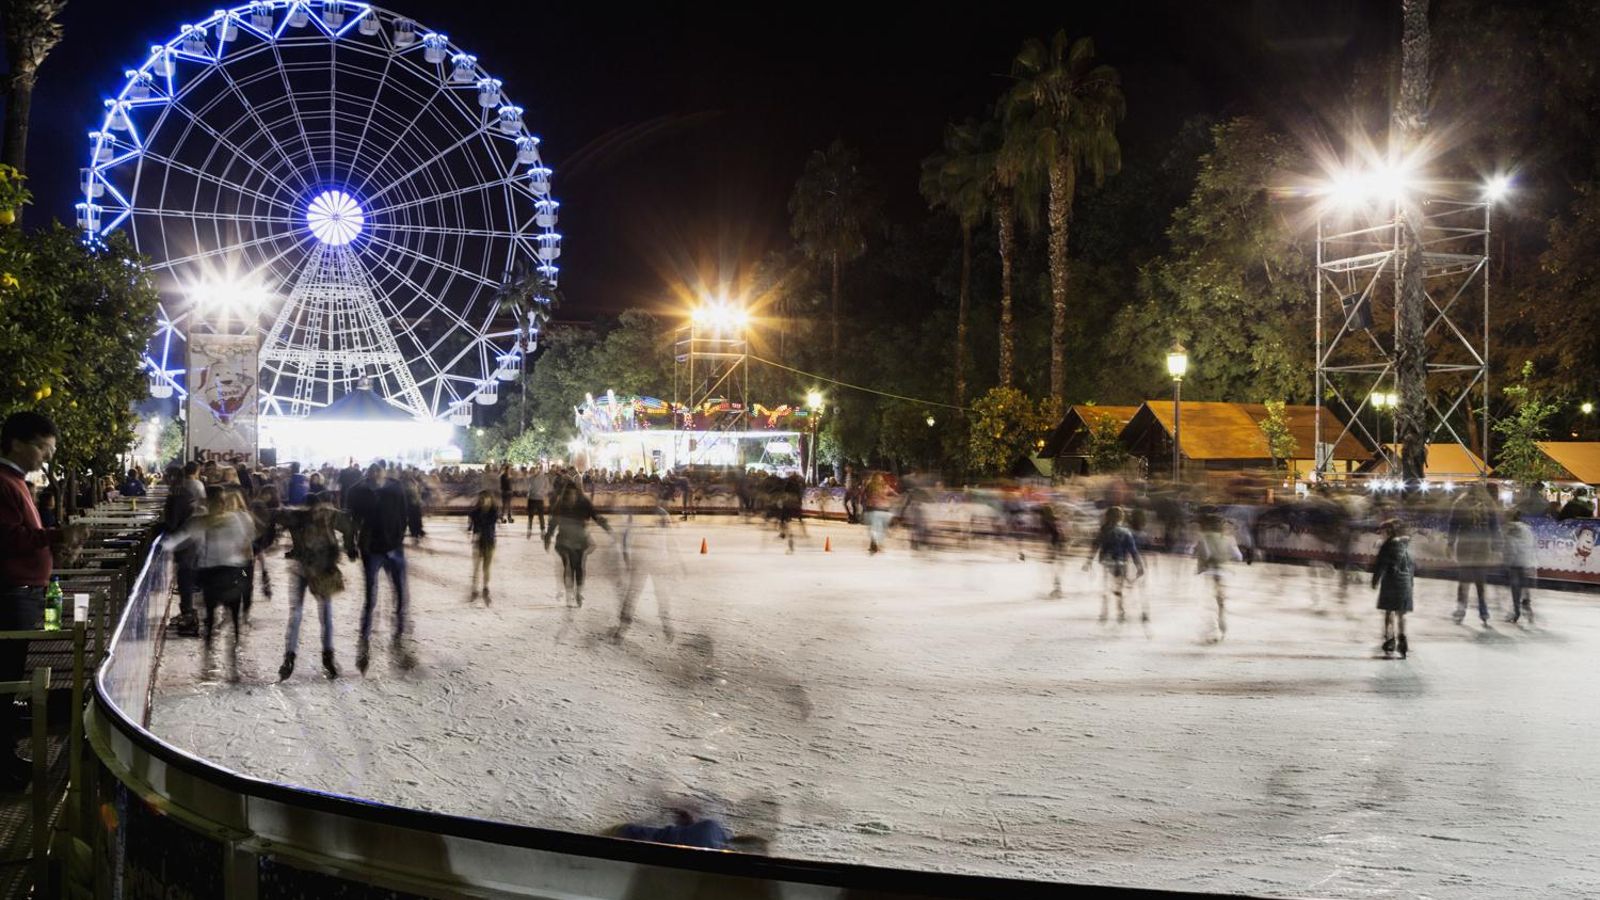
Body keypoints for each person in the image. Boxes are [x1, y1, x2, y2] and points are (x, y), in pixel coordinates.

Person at [0, 413, 83, 790]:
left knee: (12, 677)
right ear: (16, 443)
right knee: (5, 679)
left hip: (24, 593)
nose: (46, 457)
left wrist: (54, 544)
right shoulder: (4, 483)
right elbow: (9, 538)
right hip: (11, 595)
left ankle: (7, 755)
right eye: (41, 448)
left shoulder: (16, 482)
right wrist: (56, 536)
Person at [166, 485, 256, 680]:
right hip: (215, 574)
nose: (221, 504)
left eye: (222, 501)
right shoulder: (205, 520)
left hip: (226, 573)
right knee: (215, 619)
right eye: (218, 501)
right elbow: (178, 541)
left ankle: (227, 662)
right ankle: (215, 662)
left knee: (228, 620)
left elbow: (246, 544)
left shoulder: (229, 519)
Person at [274, 492, 356, 680]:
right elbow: (348, 525)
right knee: (325, 614)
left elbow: (274, 516)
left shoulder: (296, 516)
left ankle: (289, 658)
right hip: (321, 568)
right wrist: (350, 547)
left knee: (296, 613)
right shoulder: (328, 515)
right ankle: (328, 658)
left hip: (302, 567)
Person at [346, 462, 415, 673]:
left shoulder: (396, 488)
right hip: (371, 549)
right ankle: (364, 635)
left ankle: (399, 633)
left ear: (384, 472)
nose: (376, 473)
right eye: (372, 470)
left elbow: (405, 512)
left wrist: (400, 535)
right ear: (368, 473)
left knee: (400, 593)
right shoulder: (357, 492)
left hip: (393, 546)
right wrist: (350, 545)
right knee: (371, 596)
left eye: (379, 470)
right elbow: (350, 521)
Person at [543, 481, 610, 607]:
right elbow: (553, 523)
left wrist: (608, 529)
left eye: (573, 494)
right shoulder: (560, 504)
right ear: (566, 495)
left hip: (580, 539)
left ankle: (578, 592)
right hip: (564, 540)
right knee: (568, 565)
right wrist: (548, 537)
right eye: (569, 494)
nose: (571, 497)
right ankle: (569, 594)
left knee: (579, 566)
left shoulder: (584, 503)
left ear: (577, 494)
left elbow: (595, 516)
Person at [1448, 482, 1500, 627]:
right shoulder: (1489, 504)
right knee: (1480, 581)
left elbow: (1453, 525)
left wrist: (1450, 544)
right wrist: (1496, 548)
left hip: (1465, 545)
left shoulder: (1460, 503)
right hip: (1483, 546)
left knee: (1464, 580)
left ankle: (1461, 609)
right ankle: (1483, 611)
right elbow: (1495, 528)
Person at [164, 463, 204, 636]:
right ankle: (187, 613)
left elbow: (172, 523)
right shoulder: (184, 493)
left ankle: (188, 616)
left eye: (166, 476)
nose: (164, 479)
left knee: (185, 578)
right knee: (185, 577)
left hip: (186, 542)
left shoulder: (177, 496)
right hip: (192, 539)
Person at [1088, 506, 1146, 623]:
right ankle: (1120, 611)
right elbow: (1133, 551)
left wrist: (1088, 561)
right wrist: (1139, 566)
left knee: (1107, 587)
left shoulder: (1104, 531)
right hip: (1121, 563)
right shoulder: (1126, 532)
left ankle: (1104, 612)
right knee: (1118, 587)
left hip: (1107, 562)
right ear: (1121, 518)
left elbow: (1095, 546)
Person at [1370, 518, 1415, 659]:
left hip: (1391, 582)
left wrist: (1375, 581)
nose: (1381, 535)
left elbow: (1380, 565)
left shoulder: (1387, 545)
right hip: (1405, 583)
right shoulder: (1405, 545)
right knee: (1401, 614)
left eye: (1382, 532)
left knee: (1389, 612)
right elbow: (1411, 565)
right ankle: (1403, 641)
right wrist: (1411, 583)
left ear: (1388, 531)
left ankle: (1390, 640)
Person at [1193, 509, 1239, 643]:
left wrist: (1201, 565)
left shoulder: (1204, 537)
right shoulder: (1228, 538)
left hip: (1210, 570)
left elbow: (1205, 554)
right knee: (1219, 599)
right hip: (1224, 571)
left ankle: (1212, 628)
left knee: (1210, 600)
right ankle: (1221, 621)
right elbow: (1238, 556)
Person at [1503, 509, 1536, 625]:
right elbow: (1532, 545)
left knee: (1515, 588)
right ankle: (1526, 606)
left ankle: (1516, 612)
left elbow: (1511, 547)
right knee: (1523, 586)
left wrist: (1507, 562)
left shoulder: (1510, 529)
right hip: (1526, 561)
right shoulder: (1527, 528)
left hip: (1516, 562)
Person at [466, 490, 499, 604]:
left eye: (487, 498)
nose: (485, 500)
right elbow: (471, 524)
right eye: (483, 498)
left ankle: (485, 586)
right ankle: (474, 587)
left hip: (489, 542)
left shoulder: (493, 512)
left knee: (486, 567)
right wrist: (470, 526)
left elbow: (489, 523)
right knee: (476, 567)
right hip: (478, 542)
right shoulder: (475, 512)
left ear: (491, 499)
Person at [862, 472, 897, 555]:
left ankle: (874, 544)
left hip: (875, 509)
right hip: (881, 509)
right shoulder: (883, 486)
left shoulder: (871, 486)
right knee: (879, 527)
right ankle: (876, 544)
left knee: (875, 527)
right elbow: (895, 494)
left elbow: (864, 495)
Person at [526, 465, 551, 538]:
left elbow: (547, 487)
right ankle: (530, 529)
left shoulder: (544, 478)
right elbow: (528, 487)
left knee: (540, 515)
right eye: (532, 471)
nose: (533, 472)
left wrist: (543, 493)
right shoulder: (530, 478)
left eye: (534, 470)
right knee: (531, 515)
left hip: (538, 498)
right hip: (532, 498)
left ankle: (542, 530)